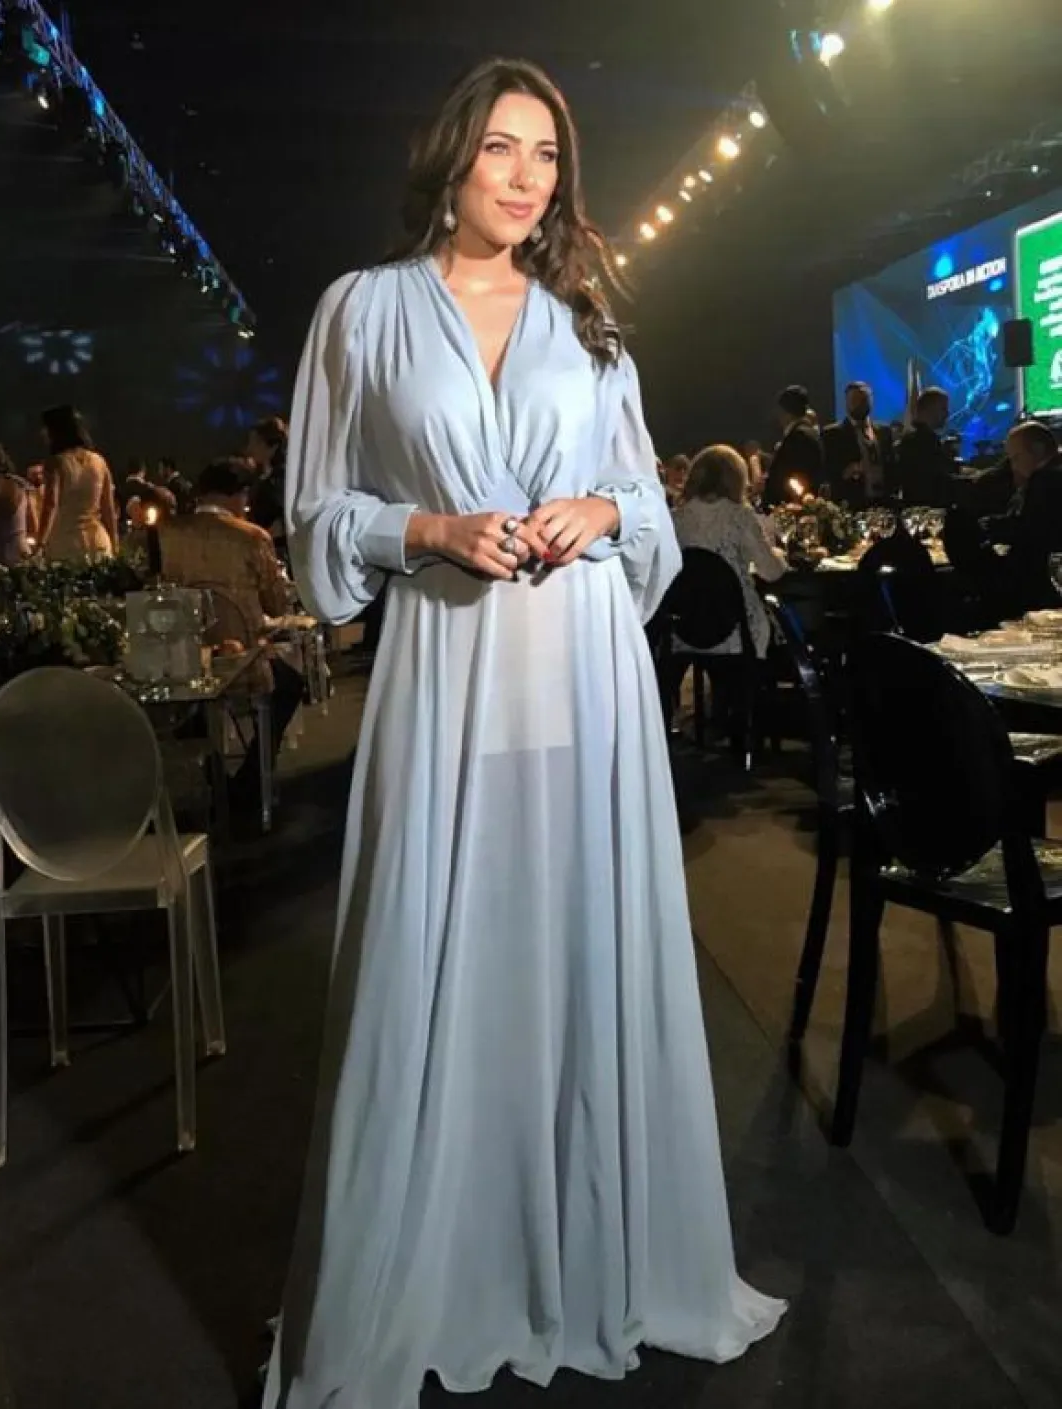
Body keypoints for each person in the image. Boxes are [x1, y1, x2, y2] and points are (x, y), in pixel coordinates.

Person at [261, 56, 785, 1409]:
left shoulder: (586, 326)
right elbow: (317, 524)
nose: (526, 176)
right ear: (452, 157)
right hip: (449, 679)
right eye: (503, 146)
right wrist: (429, 526)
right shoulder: (363, 312)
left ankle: (598, 1253)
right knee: (441, 953)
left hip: (590, 684)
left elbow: (647, 508)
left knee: (577, 951)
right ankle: (441, 1269)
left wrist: (603, 511)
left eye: (547, 155)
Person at [158, 458, 304, 781]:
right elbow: (276, 604)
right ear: (237, 495)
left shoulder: (166, 532)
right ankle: (252, 779)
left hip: (184, 659)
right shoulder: (252, 537)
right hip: (243, 659)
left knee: (195, 705)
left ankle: (210, 775)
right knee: (290, 685)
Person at [673, 444, 788, 657]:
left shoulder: (675, 519)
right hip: (736, 630)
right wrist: (780, 556)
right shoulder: (739, 517)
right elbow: (771, 572)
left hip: (686, 628)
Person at [985, 420, 1062, 611]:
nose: (1013, 467)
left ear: (1037, 450)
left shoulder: (1045, 479)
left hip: (1042, 584)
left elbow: (1031, 530)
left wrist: (989, 526)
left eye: (1016, 458)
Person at [37, 405, 119, 561]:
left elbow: (51, 505)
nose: (43, 433)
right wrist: (114, 543)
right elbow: (108, 508)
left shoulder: (56, 463)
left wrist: (40, 544)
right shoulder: (99, 461)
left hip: (65, 543)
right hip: (98, 541)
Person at [821, 380, 896, 507]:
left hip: (883, 502)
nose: (860, 403)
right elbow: (826, 471)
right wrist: (846, 472)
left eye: (864, 399)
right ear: (846, 402)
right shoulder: (832, 434)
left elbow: (891, 465)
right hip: (851, 503)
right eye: (855, 400)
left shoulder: (884, 431)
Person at [762, 384, 823, 506]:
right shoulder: (811, 434)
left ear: (783, 411)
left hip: (792, 508)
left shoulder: (797, 437)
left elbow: (790, 477)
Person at [896, 387, 955, 507]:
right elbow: (935, 482)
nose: (947, 413)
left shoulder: (919, 439)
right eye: (943, 408)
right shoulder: (920, 442)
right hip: (925, 511)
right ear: (929, 409)